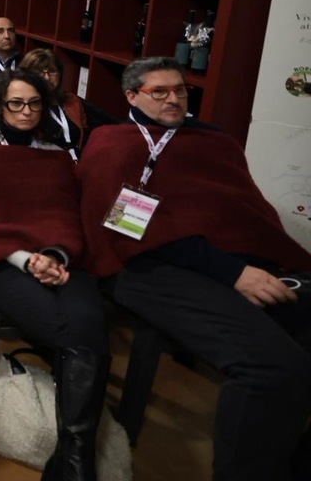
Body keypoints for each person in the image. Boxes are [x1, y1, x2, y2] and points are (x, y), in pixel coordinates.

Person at [78, 57, 311, 481]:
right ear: (131, 96)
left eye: (180, 90)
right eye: (159, 92)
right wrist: (233, 273)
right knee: (273, 366)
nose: (173, 99)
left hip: (221, 261)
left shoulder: (213, 141)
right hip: (144, 267)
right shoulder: (113, 144)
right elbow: (122, 230)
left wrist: (253, 264)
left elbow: (241, 211)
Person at [0, 69, 109, 480]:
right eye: (16, 103)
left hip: (58, 257)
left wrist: (54, 255)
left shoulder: (56, 156)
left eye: (34, 103)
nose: (26, 111)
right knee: (77, 332)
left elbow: (66, 216)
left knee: (89, 321)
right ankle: (78, 458)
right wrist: (26, 260)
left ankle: (73, 453)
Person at [19, 48, 118, 158]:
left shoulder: (72, 101)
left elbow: (86, 135)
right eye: (39, 72)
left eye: (52, 71)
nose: (47, 77)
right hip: (45, 162)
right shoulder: (24, 107)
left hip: (77, 161)